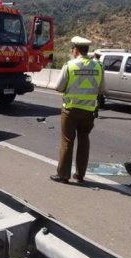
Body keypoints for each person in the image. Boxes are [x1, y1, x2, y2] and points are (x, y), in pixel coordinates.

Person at [50, 36, 103, 184]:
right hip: (88, 111)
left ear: (75, 50)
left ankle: (63, 175)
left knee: (67, 141)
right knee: (84, 140)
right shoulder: (98, 67)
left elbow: (59, 87)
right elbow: (101, 90)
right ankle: (80, 175)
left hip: (71, 110)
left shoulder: (70, 65)